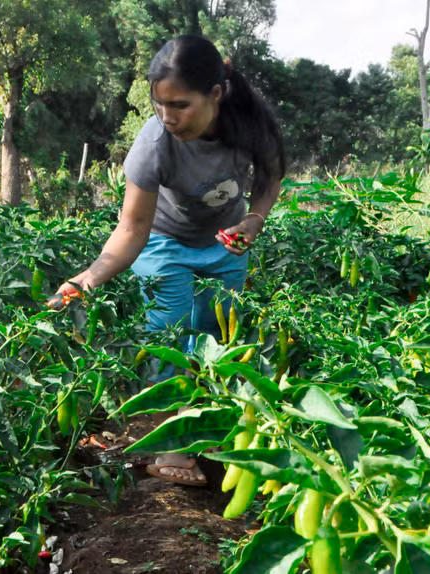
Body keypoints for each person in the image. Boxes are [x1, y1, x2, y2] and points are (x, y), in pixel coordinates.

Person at [51, 34, 285, 486]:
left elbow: (270, 180)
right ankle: (171, 447)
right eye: (159, 105)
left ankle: (206, 432)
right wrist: (87, 279)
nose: (168, 116)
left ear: (215, 94)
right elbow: (132, 229)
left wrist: (253, 222)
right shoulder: (154, 144)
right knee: (168, 338)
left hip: (225, 244)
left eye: (180, 105)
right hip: (163, 243)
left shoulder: (251, 123)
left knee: (216, 341)